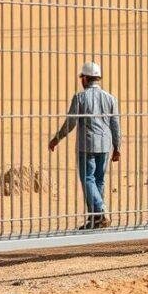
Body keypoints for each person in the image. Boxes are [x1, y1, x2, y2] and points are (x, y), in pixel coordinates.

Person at [49, 61, 121, 229]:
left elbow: (71, 122)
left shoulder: (80, 97)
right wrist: (117, 147)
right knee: (99, 180)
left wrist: (57, 138)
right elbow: (115, 124)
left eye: (82, 77)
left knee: (88, 179)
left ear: (86, 78)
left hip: (86, 146)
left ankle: (101, 211)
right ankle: (96, 219)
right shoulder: (110, 98)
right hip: (105, 145)